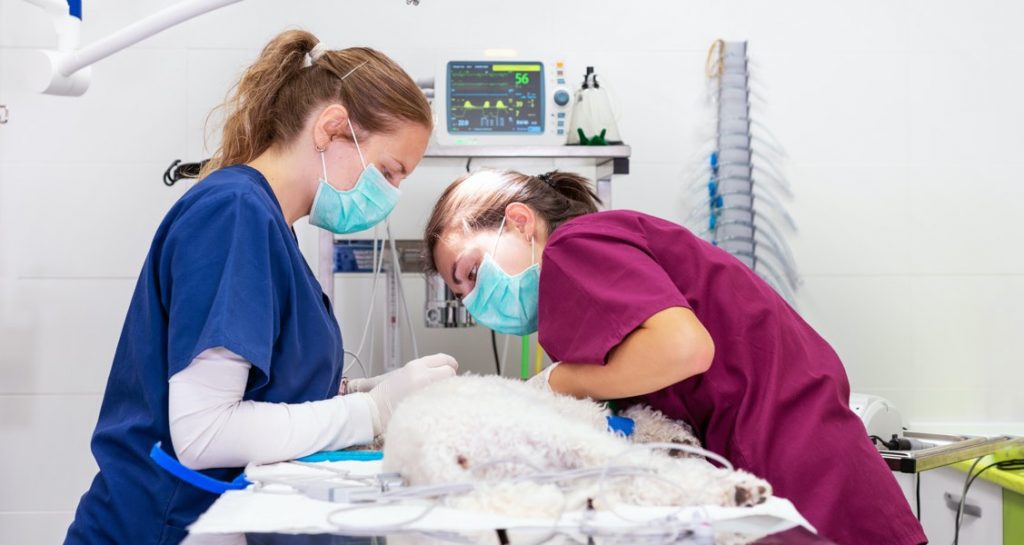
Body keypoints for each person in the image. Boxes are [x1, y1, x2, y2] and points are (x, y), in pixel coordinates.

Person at [65, 30, 457, 545]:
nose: (390, 194)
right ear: (333, 128)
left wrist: (352, 392)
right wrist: (371, 410)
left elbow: (257, 389)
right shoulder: (234, 214)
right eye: (388, 171)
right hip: (158, 527)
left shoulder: (269, 223)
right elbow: (205, 434)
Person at [423, 168, 926, 545]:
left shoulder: (575, 247)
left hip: (796, 469)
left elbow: (684, 349)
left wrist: (561, 382)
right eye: (461, 292)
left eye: (468, 272)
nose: (473, 299)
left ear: (520, 221)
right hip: (791, 458)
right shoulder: (579, 287)